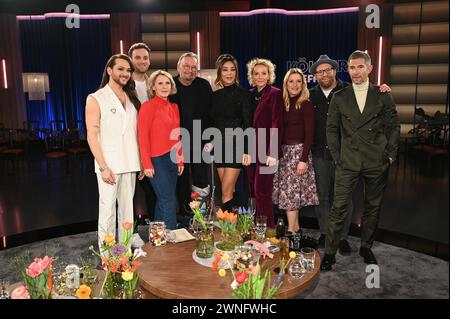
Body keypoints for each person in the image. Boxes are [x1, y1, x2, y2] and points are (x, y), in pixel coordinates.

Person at [321, 50, 400, 271]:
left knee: (372, 207)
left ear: (369, 69)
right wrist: (338, 157)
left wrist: (391, 154)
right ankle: (329, 252)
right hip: (348, 161)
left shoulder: (383, 94)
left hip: (376, 161)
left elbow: (393, 125)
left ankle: (366, 246)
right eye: (352, 67)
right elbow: (332, 129)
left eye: (360, 67)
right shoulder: (340, 97)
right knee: (338, 207)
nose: (355, 71)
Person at [85, 54, 143, 255]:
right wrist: (103, 167)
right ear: (109, 70)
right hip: (108, 165)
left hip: (130, 162)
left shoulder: (132, 98)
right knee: (108, 212)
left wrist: (142, 162)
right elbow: (92, 136)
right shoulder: (96, 98)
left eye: (128, 70)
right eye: (121, 69)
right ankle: (107, 256)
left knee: (127, 213)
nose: (125, 73)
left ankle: (124, 252)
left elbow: (136, 134)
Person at [272, 68, 319, 233]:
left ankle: (291, 233)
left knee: (291, 197)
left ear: (303, 84)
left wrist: (303, 159)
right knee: (287, 196)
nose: (295, 84)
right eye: (291, 81)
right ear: (286, 83)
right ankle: (296, 230)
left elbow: (310, 133)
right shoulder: (282, 103)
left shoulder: (305, 104)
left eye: (298, 81)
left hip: (298, 154)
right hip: (283, 155)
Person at [204, 54, 252, 211]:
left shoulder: (244, 95)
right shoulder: (214, 96)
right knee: (229, 190)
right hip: (219, 147)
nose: (229, 73)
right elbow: (213, 123)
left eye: (232, 70)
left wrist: (246, 150)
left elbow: (248, 125)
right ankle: (234, 226)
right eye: (225, 70)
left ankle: (227, 231)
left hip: (236, 146)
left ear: (237, 72)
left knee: (225, 192)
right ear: (219, 72)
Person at [138, 70, 184, 230]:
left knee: (163, 199)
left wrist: (180, 159)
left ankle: (157, 236)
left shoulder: (174, 107)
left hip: (172, 159)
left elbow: (176, 135)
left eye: (167, 83)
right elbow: (142, 137)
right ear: (153, 87)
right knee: (169, 200)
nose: (164, 86)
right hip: (156, 160)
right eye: (160, 83)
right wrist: (146, 164)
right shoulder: (147, 107)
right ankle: (171, 238)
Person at [170, 52, 212, 219]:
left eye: (194, 67)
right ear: (178, 67)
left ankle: (200, 216)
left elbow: (210, 114)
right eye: (186, 66)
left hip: (200, 141)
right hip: (176, 142)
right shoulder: (170, 84)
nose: (190, 70)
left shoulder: (204, 85)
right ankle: (182, 216)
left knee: (201, 179)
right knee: (179, 181)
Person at [246, 58, 283, 228]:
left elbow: (277, 122)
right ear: (251, 76)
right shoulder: (250, 94)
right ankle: (258, 227)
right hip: (251, 150)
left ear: (269, 75)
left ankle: (269, 230)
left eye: (264, 73)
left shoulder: (275, 93)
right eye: (256, 73)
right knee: (254, 191)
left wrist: (273, 152)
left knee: (263, 192)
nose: (260, 77)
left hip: (267, 151)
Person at [128, 42, 155, 248]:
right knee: (129, 193)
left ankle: (156, 229)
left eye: (145, 57)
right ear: (131, 60)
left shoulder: (153, 84)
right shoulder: (123, 85)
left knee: (151, 191)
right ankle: (131, 233)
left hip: (151, 146)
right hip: (129, 146)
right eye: (137, 57)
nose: (142, 61)